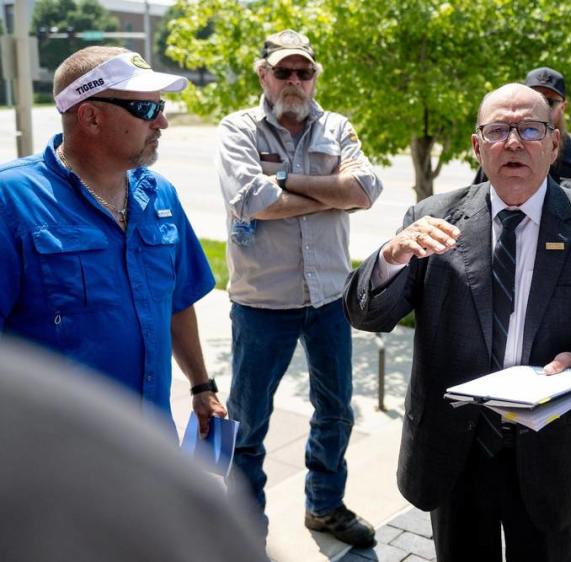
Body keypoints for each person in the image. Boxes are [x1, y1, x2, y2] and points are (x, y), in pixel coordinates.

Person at [344, 83, 571, 562]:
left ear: (554, 143)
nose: (513, 142)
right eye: (498, 130)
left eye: (530, 129)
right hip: (455, 453)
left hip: (550, 455)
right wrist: (391, 255)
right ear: (477, 146)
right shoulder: (432, 218)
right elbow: (367, 314)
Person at [0, 46, 223, 436]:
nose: (163, 122)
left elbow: (177, 300)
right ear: (90, 116)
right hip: (55, 462)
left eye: (162, 105)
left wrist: (201, 385)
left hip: (151, 444)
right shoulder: (11, 199)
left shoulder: (160, 194)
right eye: (147, 109)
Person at [216, 30, 382, 547]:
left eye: (303, 71)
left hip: (331, 297)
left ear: (314, 78)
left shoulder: (337, 126)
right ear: (262, 74)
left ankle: (325, 507)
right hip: (261, 303)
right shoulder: (237, 128)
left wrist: (283, 179)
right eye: (283, 71)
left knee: (336, 411)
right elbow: (254, 202)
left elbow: (366, 190)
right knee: (245, 423)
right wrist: (332, 193)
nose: (294, 80)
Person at [0, 339, 267, 562]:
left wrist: (201, 387)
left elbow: (179, 303)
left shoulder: (189, 505)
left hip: (153, 457)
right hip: (63, 478)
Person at [473, 67, 571, 204]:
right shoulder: (498, 153)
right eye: (537, 98)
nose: (514, 144)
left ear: (563, 106)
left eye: (549, 101)